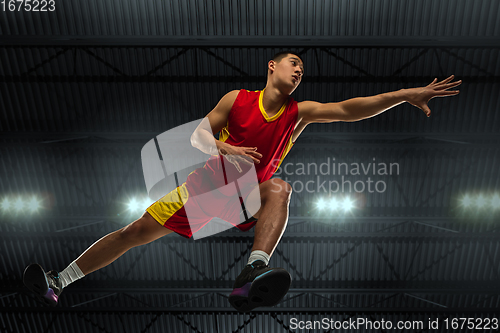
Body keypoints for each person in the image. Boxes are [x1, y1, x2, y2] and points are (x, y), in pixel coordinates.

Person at [23, 51, 461, 312]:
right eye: (294, 64)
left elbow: (353, 107)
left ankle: (253, 269)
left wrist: (406, 94)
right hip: (201, 192)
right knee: (132, 232)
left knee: (281, 187)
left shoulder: (299, 113)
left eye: (303, 70)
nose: (299, 72)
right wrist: (225, 148)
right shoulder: (237, 100)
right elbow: (198, 134)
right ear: (272, 67)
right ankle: (59, 282)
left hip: (244, 200)